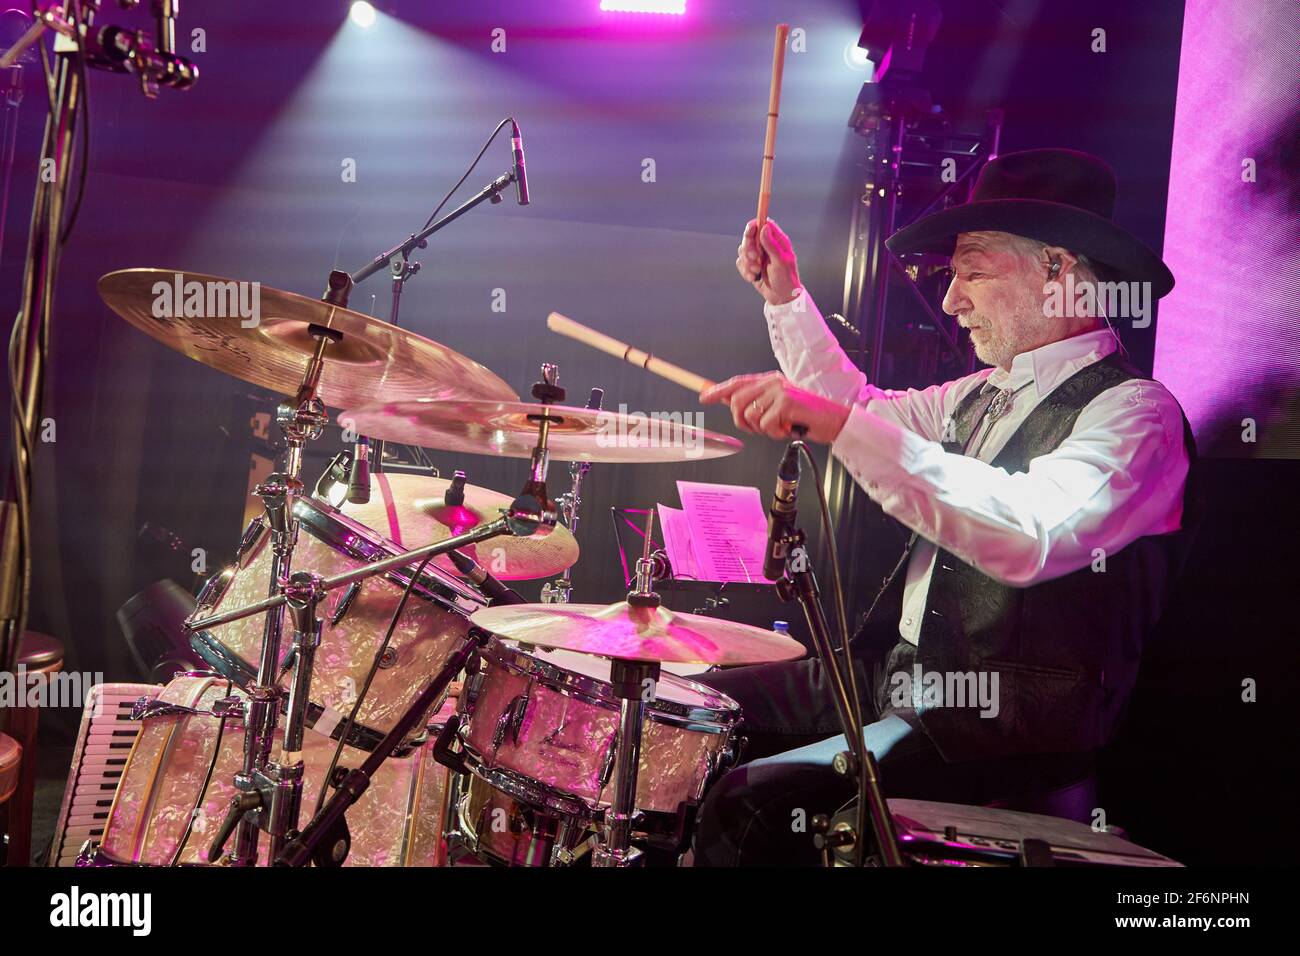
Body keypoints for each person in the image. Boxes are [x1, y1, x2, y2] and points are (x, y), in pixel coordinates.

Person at [690, 148, 1199, 866]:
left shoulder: (1136, 417)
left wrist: (838, 424)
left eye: (973, 270)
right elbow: (855, 408)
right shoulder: (978, 393)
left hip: (1002, 728)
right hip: (900, 680)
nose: (953, 300)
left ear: (1057, 270)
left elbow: (1031, 533)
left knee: (753, 802)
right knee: (696, 707)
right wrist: (785, 299)